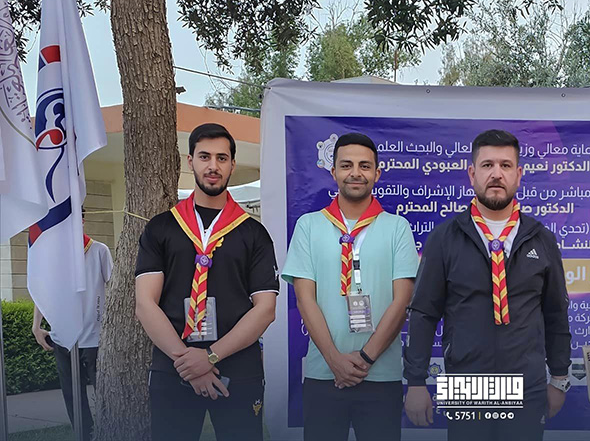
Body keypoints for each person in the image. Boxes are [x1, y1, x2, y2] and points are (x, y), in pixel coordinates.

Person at [404, 129, 572, 441]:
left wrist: (559, 377)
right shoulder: (444, 238)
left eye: (506, 165)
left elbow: (556, 313)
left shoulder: (542, 239)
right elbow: (424, 313)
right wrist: (415, 381)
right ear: (472, 174)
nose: (497, 174)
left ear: (518, 175)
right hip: (467, 383)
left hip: (527, 384)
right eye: (487, 165)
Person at [135, 123, 279, 441]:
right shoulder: (161, 228)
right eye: (204, 157)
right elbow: (145, 304)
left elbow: (265, 309)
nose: (213, 166)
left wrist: (209, 356)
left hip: (238, 367)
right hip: (173, 366)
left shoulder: (254, 233)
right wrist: (188, 362)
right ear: (190, 161)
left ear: (232, 164)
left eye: (221, 158)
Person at [282, 132, 419, 441]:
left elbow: (402, 302)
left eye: (364, 166)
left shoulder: (397, 228)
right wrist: (334, 360)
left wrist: (366, 359)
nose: (356, 173)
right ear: (333, 172)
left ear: (377, 174)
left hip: (381, 375)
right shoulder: (308, 225)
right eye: (346, 165)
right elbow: (305, 299)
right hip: (323, 373)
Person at [32, 221, 113, 441]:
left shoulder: (99, 251)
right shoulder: (53, 257)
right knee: (73, 398)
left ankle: (109, 434)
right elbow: (42, 291)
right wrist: (36, 326)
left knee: (105, 395)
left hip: (95, 339)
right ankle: (84, 436)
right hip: (63, 339)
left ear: (81, 221)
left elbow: (113, 288)